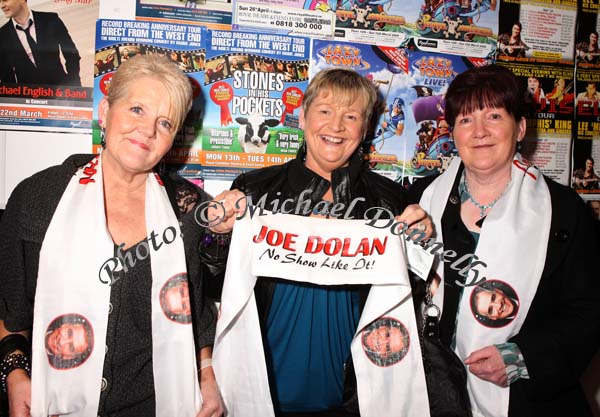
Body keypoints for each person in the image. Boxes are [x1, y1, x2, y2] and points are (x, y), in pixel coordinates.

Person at [0, 55, 223, 417]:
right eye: (136, 109)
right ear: (105, 112)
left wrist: (207, 374)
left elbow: (198, 315)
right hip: (54, 403)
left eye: (164, 122)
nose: (147, 131)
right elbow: (9, 309)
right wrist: (15, 376)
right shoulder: (37, 198)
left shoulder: (189, 208)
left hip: (157, 406)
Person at [209, 68, 432, 416]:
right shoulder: (255, 189)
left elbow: (405, 302)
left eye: (351, 116)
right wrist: (216, 237)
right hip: (260, 391)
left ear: (366, 129)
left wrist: (421, 247)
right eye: (325, 111)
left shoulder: (389, 200)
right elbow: (214, 286)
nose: (337, 125)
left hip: (353, 395)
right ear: (302, 118)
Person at [410, 64, 600, 416]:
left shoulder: (563, 211)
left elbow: (588, 311)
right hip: (430, 395)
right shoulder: (420, 199)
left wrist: (523, 357)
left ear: (521, 128)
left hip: (526, 402)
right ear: (453, 132)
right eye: (466, 120)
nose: (479, 131)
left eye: (494, 116)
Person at [0, 0, 81, 85]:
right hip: (29, 94)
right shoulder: (2, 35)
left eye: (5, 0)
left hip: (61, 90)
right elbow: (7, 76)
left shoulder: (51, 19)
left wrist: (74, 85)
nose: (2, 6)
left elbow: (72, 55)